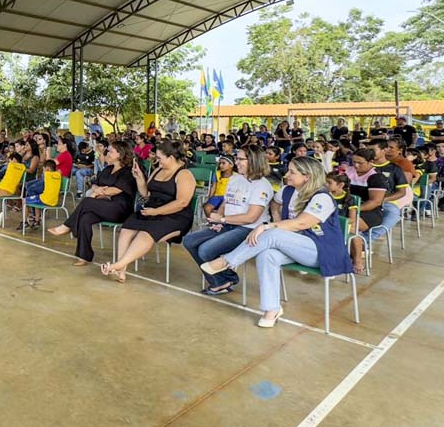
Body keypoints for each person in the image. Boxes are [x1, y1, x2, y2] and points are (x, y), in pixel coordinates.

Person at [201, 157, 354, 328]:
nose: (287, 175)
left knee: (272, 233)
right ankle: (271, 309)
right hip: (295, 246)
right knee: (266, 255)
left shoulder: (322, 197)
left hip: (321, 251)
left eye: (292, 172)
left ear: (307, 177)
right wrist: (276, 217)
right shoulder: (288, 190)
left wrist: (267, 226)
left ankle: (228, 261)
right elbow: (274, 203)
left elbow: (301, 224)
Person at [183, 145, 273, 296]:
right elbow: (226, 203)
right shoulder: (235, 179)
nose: (236, 162)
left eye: (240, 159)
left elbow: (251, 217)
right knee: (189, 241)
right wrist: (219, 221)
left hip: (249, 229)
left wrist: (223, 219)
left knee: (205, 250)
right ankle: (222, 280)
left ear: (253, 160)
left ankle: (222, 280)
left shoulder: (262, 185)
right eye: (237, 158)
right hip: (228, 224)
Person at [101, 140, 196, 282]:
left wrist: (157, 212)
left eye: (159, 158)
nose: (156, 160)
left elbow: (182, 202)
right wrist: (139, 177)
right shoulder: (158, 170)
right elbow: (146, 194)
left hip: (175, 216)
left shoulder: (184, 174)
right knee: (126, 229)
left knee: (145, 234)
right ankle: (121, 271)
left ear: (171, 158)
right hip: (151, 210)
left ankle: (118, 265)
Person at [48, 141, 137, 264]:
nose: (108, 153)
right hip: (102, 205)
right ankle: (84, 256)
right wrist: (97, 189)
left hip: (119, 208)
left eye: (111, 151)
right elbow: (94, 184)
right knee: (85, 218)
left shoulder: (128, 172)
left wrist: (100, 191)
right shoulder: (108, 169)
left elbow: (116, 190)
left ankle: (67, 226)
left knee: (87, 202)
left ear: (120, 154)